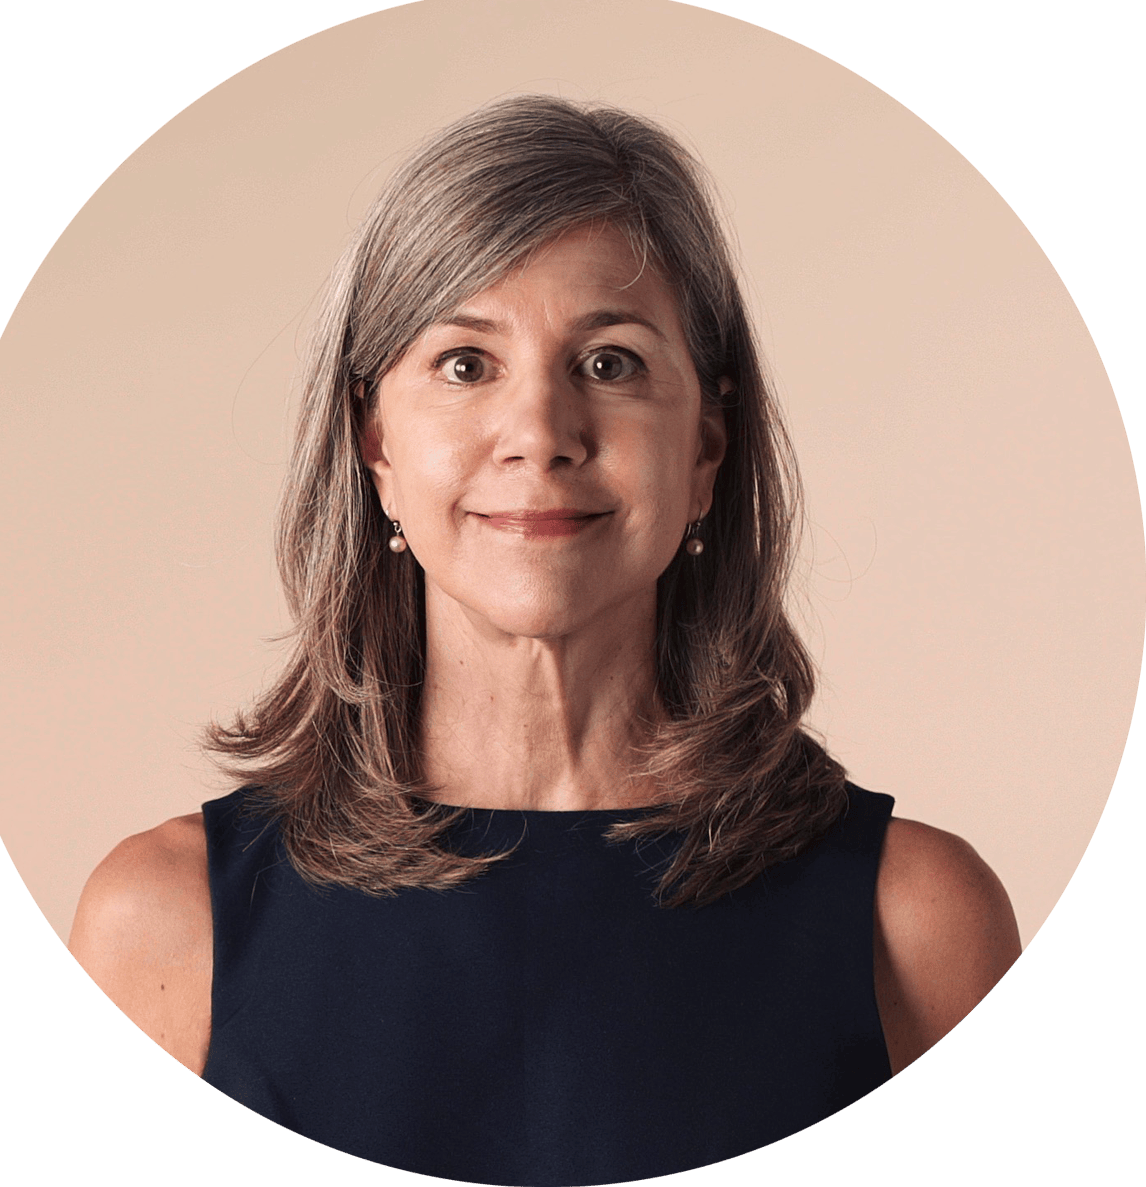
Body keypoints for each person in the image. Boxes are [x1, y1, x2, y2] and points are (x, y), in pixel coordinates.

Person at [70, 96, 1021, 1184]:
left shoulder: (918, 924)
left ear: (706, 447)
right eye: (466, 365)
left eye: (610, 363)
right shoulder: (164, 927)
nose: (539, 435)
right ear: (375, 443)